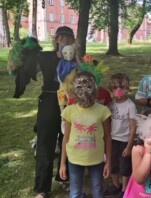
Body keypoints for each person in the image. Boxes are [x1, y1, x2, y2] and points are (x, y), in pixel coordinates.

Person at [34, 26, 79, 198]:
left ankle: (63, 179)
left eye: (69, 37)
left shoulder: (75, 59)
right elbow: (29, 67)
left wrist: (77, 59)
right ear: (56, 39)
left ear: (73, 41)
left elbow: (85, 76)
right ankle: (42, 188)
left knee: (67, 141)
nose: (65, 40)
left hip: (71, 103)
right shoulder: (45, 57)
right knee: (45, 143)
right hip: (49, 102)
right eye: (62, 37)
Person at [59, 71, 112, 198]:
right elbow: (65, 138)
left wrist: (108, 161)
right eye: (79, 86)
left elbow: (107, 137)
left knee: (97, 192)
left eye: (88, 85)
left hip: (96, 160)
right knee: (75, 192)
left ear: (94, 88)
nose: (84, 89)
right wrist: (62, 163)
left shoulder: (103, 110)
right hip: (74, 159)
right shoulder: (69, 111)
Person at [104, 73, 137, 198]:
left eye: (122, 87)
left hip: (124, 140)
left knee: (124, 166)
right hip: (112, 140)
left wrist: (129, 146)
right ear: (111, 89)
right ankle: (115, 185)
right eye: (115, 87)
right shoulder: (110, 105)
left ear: (127, 88)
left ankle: (124, 189)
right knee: (112, 164)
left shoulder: (130, 106)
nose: (118, 90)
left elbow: (133, 127)